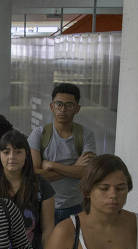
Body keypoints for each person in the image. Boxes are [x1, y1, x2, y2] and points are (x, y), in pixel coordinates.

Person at [29, 83, 97, 224]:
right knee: (44, 245)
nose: (62, 109)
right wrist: (75, 167)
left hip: (76, 207)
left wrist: (51, 165)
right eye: (58, 104)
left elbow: (87, 172)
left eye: (69, 105)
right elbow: (34, 175)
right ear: (51, 106)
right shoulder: (39, 135)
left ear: (77, 109)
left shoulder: (86, 135)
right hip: (44, 205)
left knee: (73, 246)